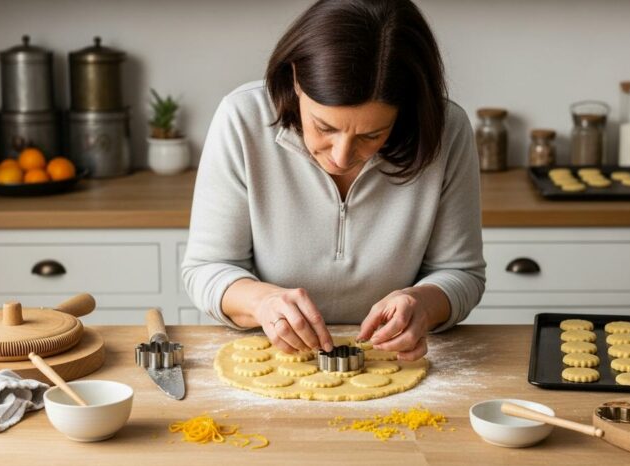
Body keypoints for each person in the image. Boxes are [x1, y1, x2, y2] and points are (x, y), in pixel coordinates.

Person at [182, 0, 485, 361]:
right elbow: (206, 268)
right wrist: (262, 302)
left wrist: (424, 303)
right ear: (295, 79)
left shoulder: (446, 132)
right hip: (272, 355)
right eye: (324, 127)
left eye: (372, 135)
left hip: (394, 360)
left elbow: (461, 272)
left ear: (405, 113)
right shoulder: (242, 119)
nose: (341, 157)